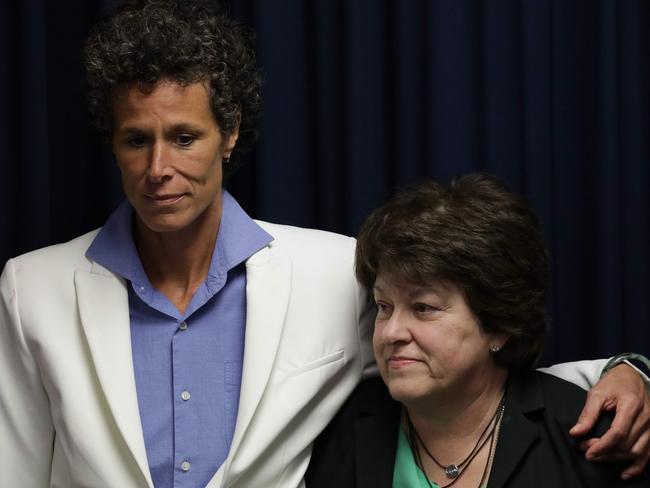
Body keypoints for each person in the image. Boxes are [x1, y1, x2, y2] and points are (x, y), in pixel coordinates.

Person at [0, 2, 647, 487]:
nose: (159, 167)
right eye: (136, 140)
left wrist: (630, 370)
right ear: (112, 144)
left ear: (230, 133)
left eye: (185, 137)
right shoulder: (34, 289)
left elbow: (469, 359)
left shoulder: (336, 270)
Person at [306, 174, 650, 487]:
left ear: (499, 324)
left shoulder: (594, 437)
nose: (391, 332)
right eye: (384, 307)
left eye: (423, 308)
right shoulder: (337, 430)